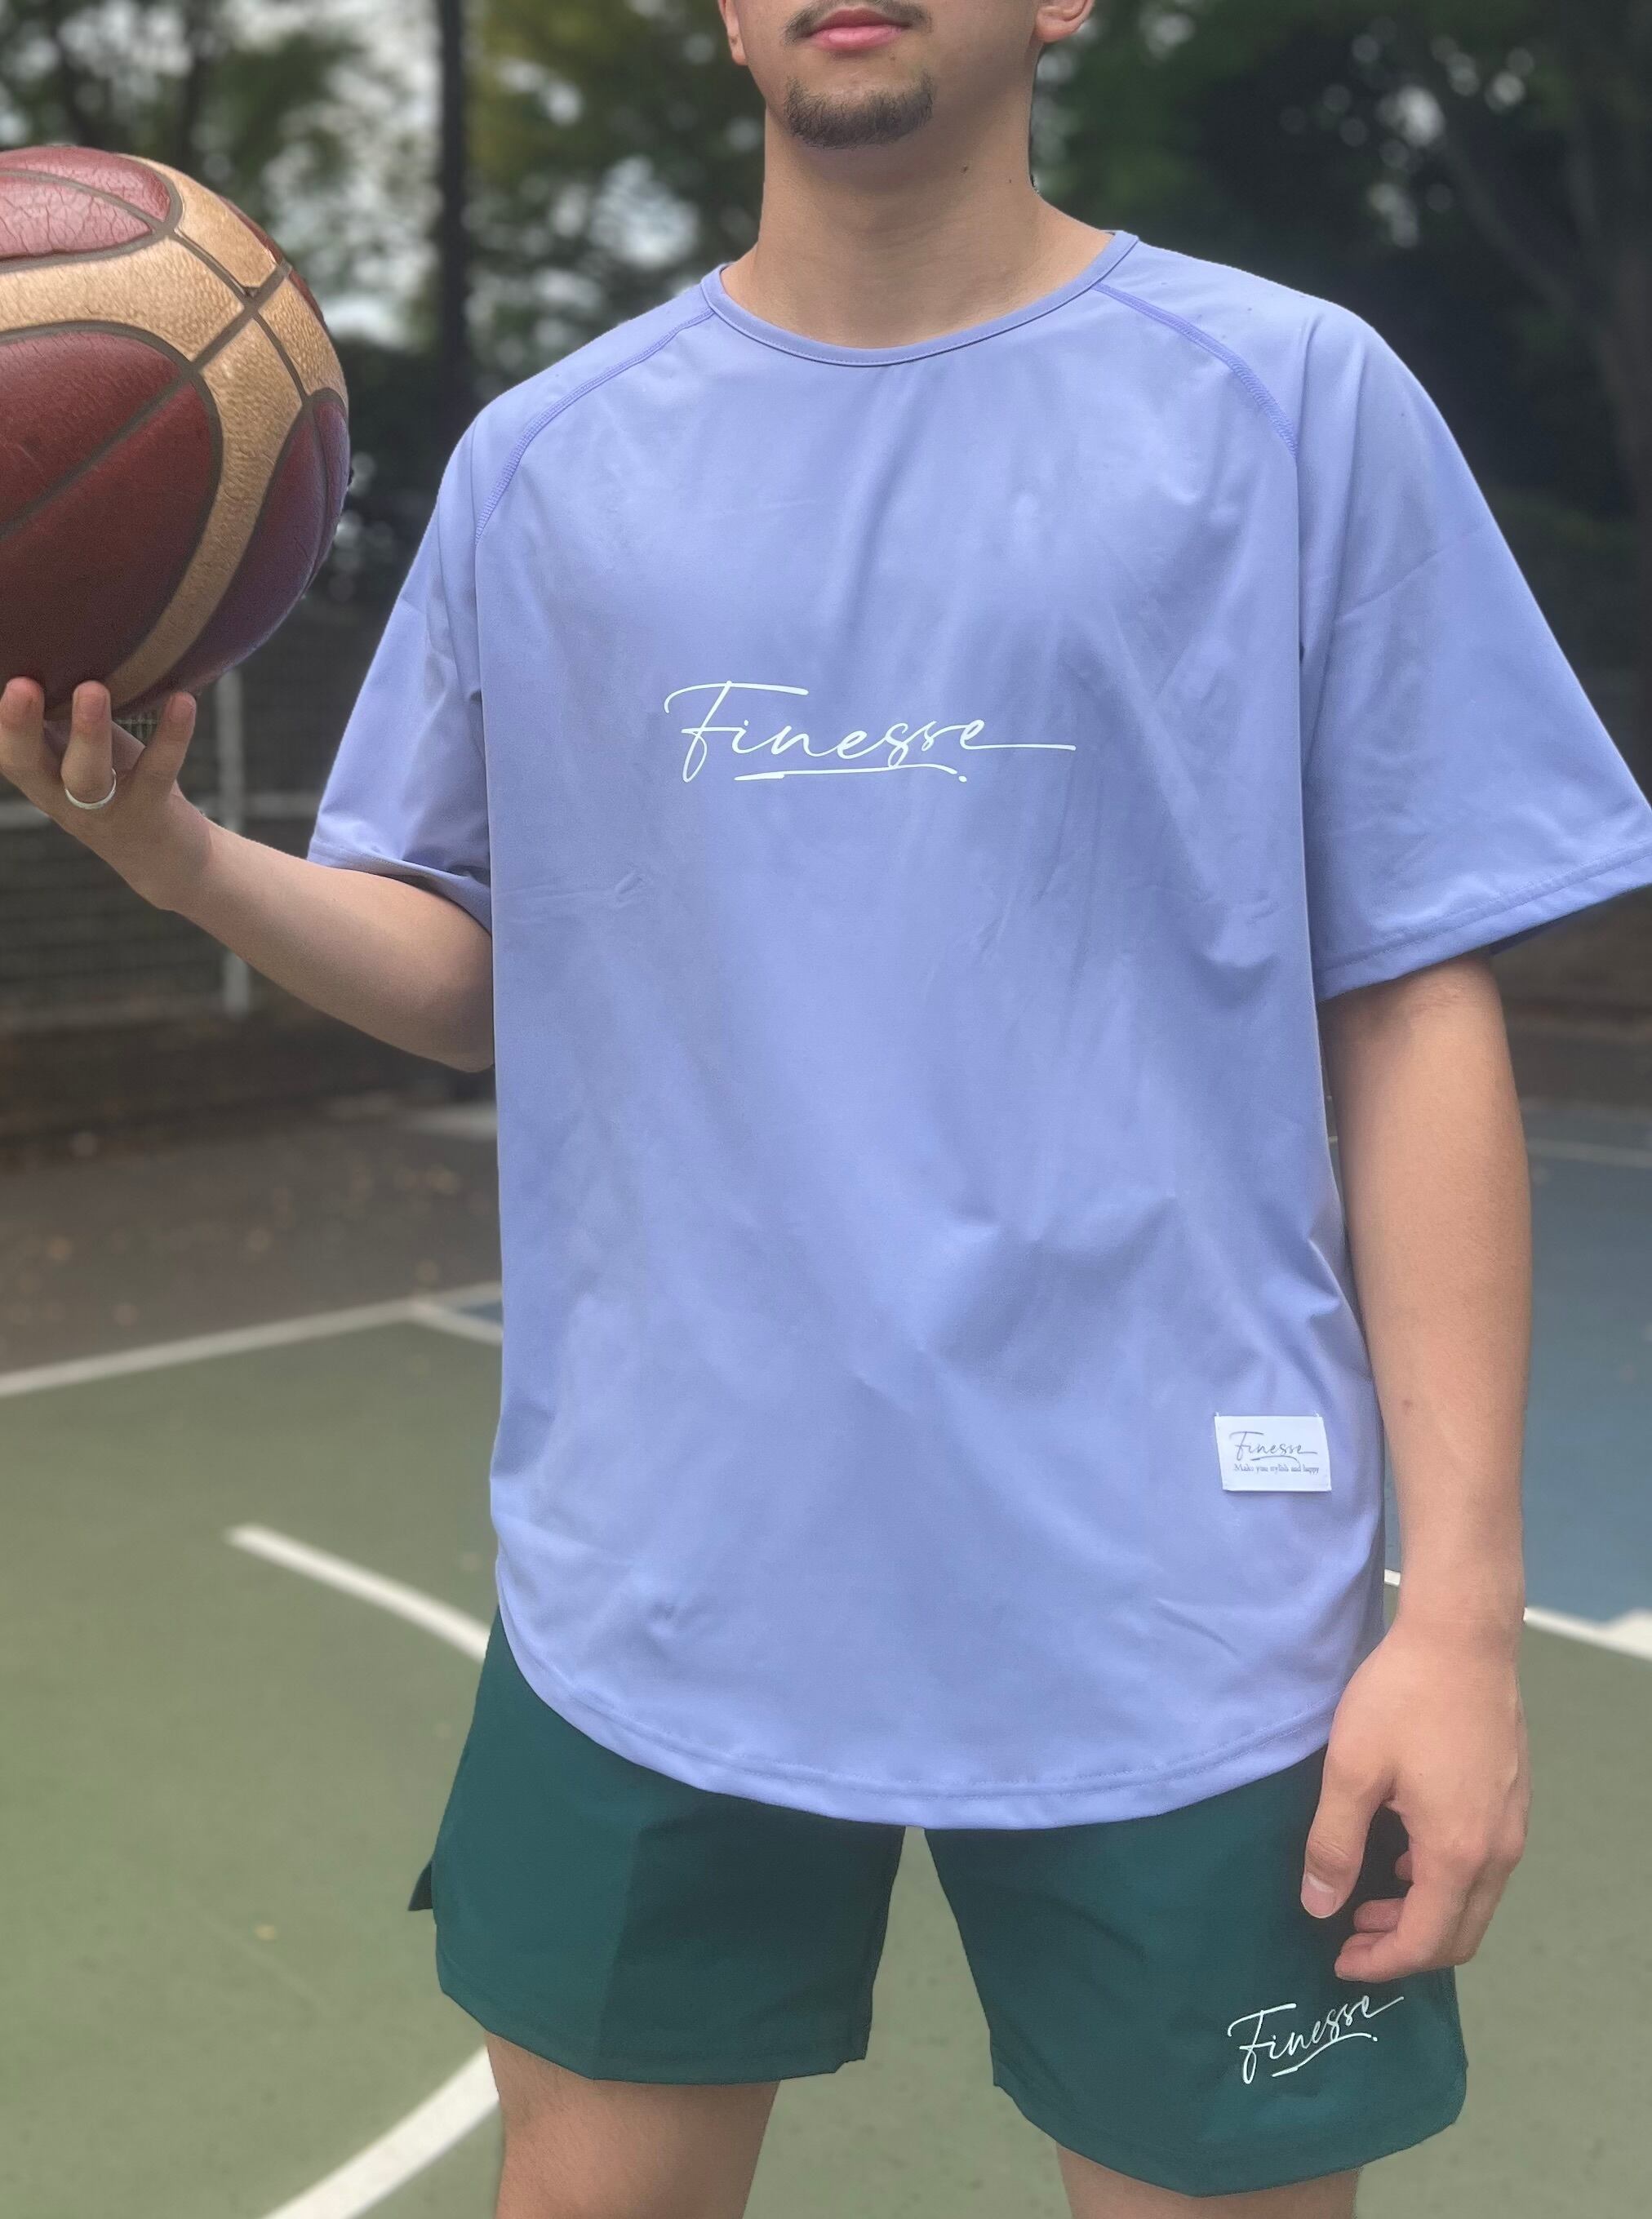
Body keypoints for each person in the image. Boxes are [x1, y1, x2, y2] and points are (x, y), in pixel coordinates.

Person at [7, 2, 1652, 2212]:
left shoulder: (1295, 403)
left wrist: (1456, 1621)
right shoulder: (548, 463)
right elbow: (473, 966)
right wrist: (176, 857)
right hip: (665, 1571)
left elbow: (1414, 1006)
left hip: (1180, 1592)